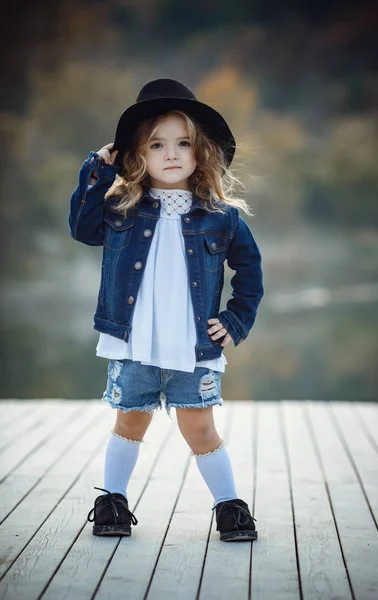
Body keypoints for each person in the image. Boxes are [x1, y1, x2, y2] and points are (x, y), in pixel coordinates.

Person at [69, 78, 264, 542]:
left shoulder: (222, 216)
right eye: (157, 144)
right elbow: (82, 227)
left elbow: (250, 274)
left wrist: (235, 321)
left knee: (199, 427)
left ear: (201, 153)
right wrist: (96, 169)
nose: (171, 153)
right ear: (137, 155)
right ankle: (112, 501)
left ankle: (229, 506)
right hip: (135, 340)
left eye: (182, 143)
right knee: (130, 421)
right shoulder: (121, 207)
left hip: (194, 344)